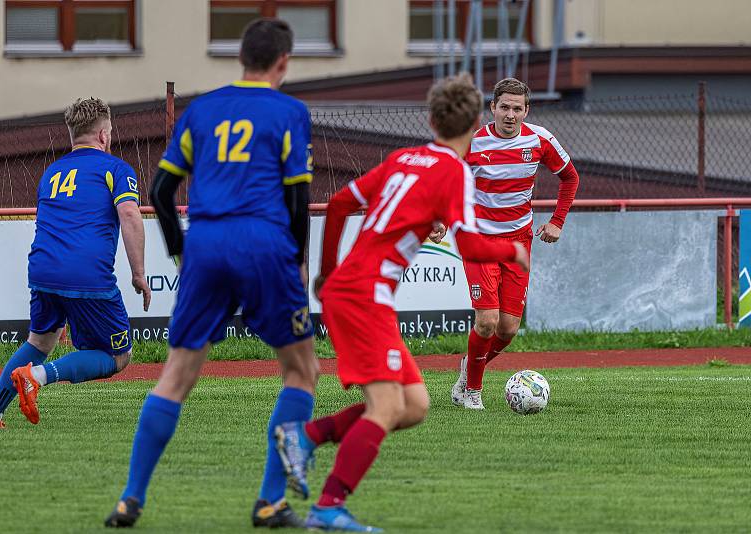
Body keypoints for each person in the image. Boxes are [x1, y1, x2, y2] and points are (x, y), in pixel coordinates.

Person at [274, 74, 529, 532]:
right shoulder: (454, 171)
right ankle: (328, 508)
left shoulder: (403, 158)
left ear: (431, 120)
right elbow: (471, 246)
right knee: (387, 407)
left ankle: (306, 436)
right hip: (361, 296)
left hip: (357, 291)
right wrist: (511, 251)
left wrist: (327, 272)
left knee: (412, 406)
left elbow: (336, 205)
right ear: (476, 124)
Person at [104, 19, 319, 529]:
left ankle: (130, 498)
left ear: (240, 58)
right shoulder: (290, 111)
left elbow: (158, 192)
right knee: (301, 371)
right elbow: (297, 196)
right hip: (264, 243)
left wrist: (181, 251)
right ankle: (270, 502)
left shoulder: (202, 110)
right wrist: (298, 259)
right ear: (283, 62)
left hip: (206, 245)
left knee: (176, 375)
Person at [0, 97, 151, 429]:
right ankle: (36, 377)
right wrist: (139, 273)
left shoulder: (52, 173)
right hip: (85, 274)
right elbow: (129, 213)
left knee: (40, 341)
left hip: (42, 269)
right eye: (109, 132)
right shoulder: (115, 169)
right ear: (103, 135)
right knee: (118, 356)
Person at [441, 77, 580, 410]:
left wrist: (558, 221)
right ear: (492, 108)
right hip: (479, 239)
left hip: (518, 242)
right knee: (487, 320)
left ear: (526, 110)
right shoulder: (472, 142)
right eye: (504, 107)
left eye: (517, 109)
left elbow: (570, 177)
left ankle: (468, 368)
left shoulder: (540, 139)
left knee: (508, 328)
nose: (510, 115)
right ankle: (471, 392)